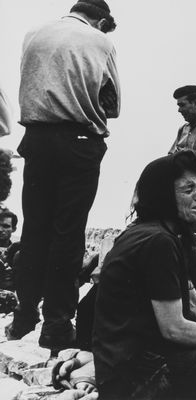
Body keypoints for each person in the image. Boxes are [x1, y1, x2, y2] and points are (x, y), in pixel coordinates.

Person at [93, 151, 196, 399]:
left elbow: (193, 301)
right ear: (164, 196)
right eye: (188, 189)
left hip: (149, 355)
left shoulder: (159, 233)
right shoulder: (158, 241)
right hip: (136, 379)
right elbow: (174, 328)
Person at [7, 0, 120, 352]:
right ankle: (56, 323)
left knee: (35, 226)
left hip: (37, 140)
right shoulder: (100, 41)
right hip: (78, 141)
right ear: (100, 21)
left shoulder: (33, 34)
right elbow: (113, 104)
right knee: (68, 232)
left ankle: (25, 314)